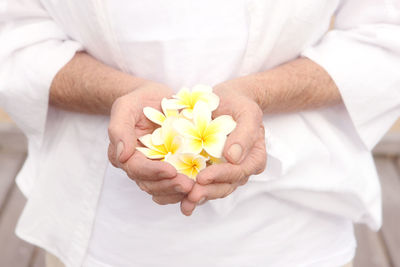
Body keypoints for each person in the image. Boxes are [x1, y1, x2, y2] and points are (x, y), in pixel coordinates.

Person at [1, 0, 399, 266]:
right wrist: (119, 92)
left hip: (295, 221)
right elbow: (15, 35)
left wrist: (258, 94)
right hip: (101, 223)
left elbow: (386, 34)